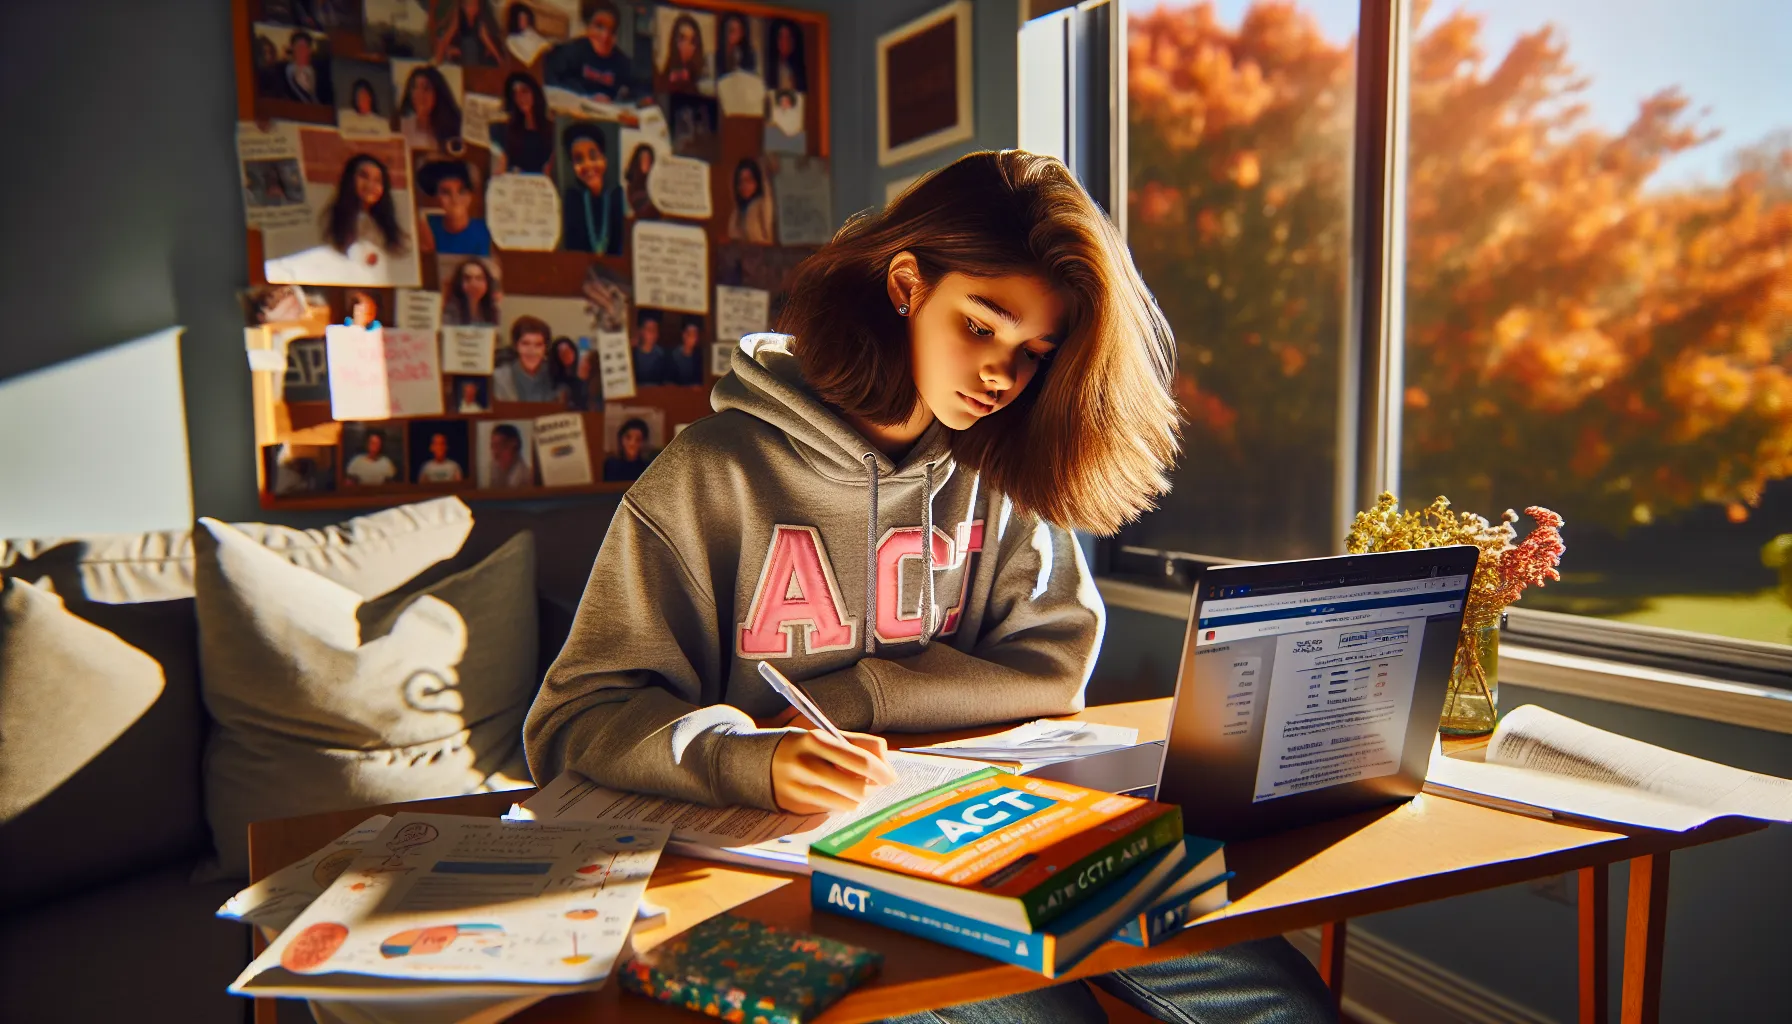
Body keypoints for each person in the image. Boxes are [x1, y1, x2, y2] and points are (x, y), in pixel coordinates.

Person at [521, 150, 1334, 1023]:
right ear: (906, 284)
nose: (1001, 377)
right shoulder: (711, 474)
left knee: (1282, 1005)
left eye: (1033, 351)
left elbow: (1053, 661)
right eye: (981, 326)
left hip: (989, 824)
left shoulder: (999, 466)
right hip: (793, 853)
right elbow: (577, 716)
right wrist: (747, 756)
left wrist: (868, 694)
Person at [544, 0, 633, 102]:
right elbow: (552, 81)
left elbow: (637, 89)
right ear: (587, 27)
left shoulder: (622, 62)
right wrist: (586, 97)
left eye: (611, 31)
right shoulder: (570, 52)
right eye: (599, 27)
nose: (605, 36)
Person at [560, 123, 625, 255]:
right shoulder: (572, 199)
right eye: (579, 160)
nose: (588, 165)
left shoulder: (617, 196)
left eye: (593, 156)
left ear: (604, 160)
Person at [419, 161, 491, 255]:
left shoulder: (486, 230)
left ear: (471, 195)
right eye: (446, 192)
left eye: (461, 191)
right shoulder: (428, 224)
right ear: (435, 197)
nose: (455, 199)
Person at [492, 315, 561, 401]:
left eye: (538, 345)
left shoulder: (557, 377)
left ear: (545, 348)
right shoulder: (499, 378)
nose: (531, 351)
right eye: (525, 343)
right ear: (516, 345)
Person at [396, 64, 462, 152]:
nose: (418, 94)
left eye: (426, 88)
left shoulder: (452, 131)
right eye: (414, 88)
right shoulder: (401, 127)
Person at [498, 72, 553, 174]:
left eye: (524, 91)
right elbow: (503, 163)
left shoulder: (551, 129)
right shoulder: (510, 129)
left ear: (534, 93)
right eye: (515, 94)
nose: (520, 98)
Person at [433, 0, 503, 66]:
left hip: (475, 51)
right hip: (464, 50)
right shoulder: (458, 17)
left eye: (476, 5)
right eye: (470, 5)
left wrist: (499, 58)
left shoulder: (480, 17)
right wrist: (445, 51)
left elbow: (485, 37)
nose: (474, 8)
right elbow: (446, 38)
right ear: (463, 6)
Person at [727, 158, 774, 245]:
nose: (744, 185)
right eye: (740, 182)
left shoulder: (763, 205)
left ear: (757, 182)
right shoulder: (737, 211)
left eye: (748, 180)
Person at [442, 257, 500, 325]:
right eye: (467, 279)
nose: (474, 284)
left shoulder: (492, 311)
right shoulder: (450, 311)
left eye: (479, 278)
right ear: (459, 283)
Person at [660, 12, 706, 94]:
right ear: (674, 41)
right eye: (682, 39)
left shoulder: (700, 80)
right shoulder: (664, 79)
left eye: (692, 41)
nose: (686, 46)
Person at [601, 417, 652, 481]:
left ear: (643, 443)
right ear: (621, 439)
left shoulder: (648, 468)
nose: (632, 443)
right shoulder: (610, 465)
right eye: (628, 438)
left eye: (638, 439)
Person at [486, 423, 533, 488]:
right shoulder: (494, 472)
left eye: (500, 446)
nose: (495, 454)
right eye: (493, 447)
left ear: (514, 447)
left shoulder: (528, 480)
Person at [766, 18, 806, 92]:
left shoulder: (799, 68)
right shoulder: (771, 66)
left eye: (788, 37)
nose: (784, 42)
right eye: (781, 37)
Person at [282, 33, 323, 103]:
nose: (302, 51)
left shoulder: (319, 70)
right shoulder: (284, 71)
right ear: (292, 48)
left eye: (306, 47)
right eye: (299, 47)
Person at [631, 308, 668, 386]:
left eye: (655, 329)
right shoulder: (632, 355)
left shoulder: (663, 355)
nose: (653, 333)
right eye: (649, 329)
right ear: (641, 331)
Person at [551, 336, 589, 408]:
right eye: (562, 352)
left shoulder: (582, 377)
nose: (567, 354)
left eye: (569, 350)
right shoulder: (552, 379)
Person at [623, 143, 658, 219]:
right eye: (644, 159)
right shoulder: (633, 184)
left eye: (649, 159)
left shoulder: (657, 182)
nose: (646, 162)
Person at [667, 315, 703, 385]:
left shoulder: (699, 356)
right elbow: (668, 382)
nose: (692, 337)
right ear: (683, 335)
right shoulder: (672, 356)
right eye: (689, 334)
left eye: (694, 334)